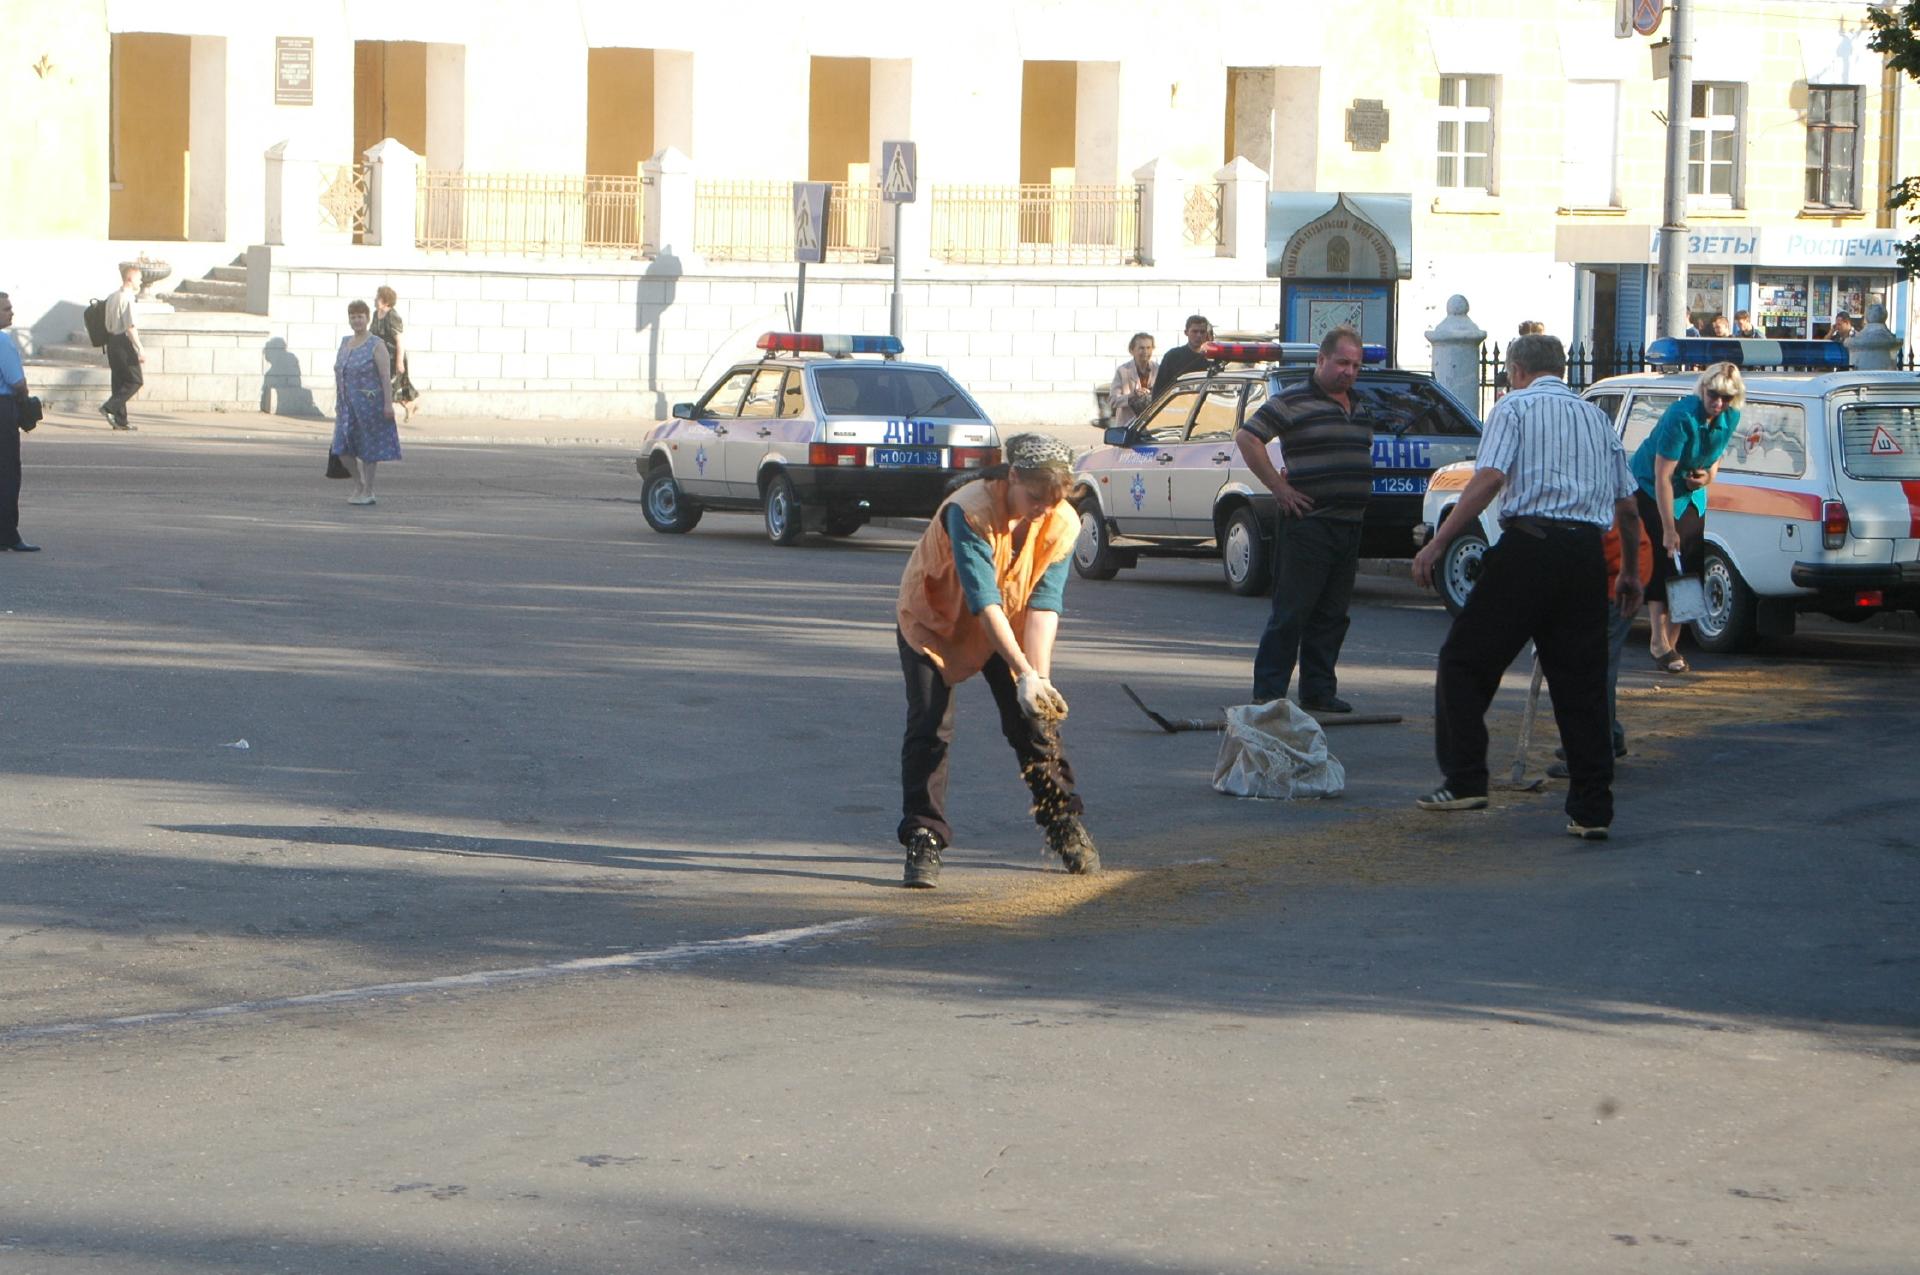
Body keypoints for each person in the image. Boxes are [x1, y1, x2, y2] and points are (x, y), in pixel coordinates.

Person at [1412, 333, 1640, 839]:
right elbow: (1627, 505)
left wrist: (1438, 542)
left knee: (1465, 660)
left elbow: (1490, 478)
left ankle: (1465, 778)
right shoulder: (1597, 418)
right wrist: (1628, 571)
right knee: (1582, 684)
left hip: (1530, 546)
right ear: (1562, 368)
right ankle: (1591, 810)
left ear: (1515, 370)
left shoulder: (1513, 408)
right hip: (1585, 556)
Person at [894, 433, 1098, 888]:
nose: (1042, 509)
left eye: (1054, 500)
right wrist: (1022, 670)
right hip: (937, 620)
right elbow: (983, 599)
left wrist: (1037, 679)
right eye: (1035, 497)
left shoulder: (1063, 522)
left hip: (1009, 621)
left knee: (1034, 724)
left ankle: (1062, 821)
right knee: (930, 726)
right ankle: (924, 835)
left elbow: (1045, 603)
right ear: (1013, 477)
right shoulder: (968, 511)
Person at [1234, 325, 1372, 714]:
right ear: (1321, 359)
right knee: (1292, 612)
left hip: (1349, 524)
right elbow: (1248, 438)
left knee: (1332, 615)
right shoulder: (1292, 399)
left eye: (1356, 366)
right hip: (1309, 523)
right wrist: (1280, 488)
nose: (1349, 372)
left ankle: (1318, 691)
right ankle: (1268, 694)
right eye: (1342, 363)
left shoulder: (1360, 405)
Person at [1631, 362, 1741, 674]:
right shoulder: (1681, 416)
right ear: (1703, 389)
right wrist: (1668, 529)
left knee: (1688, 563)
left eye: (1726, 397)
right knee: (1665, 557)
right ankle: (1658, 641)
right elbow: (1661, 475)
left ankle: (1672, 642)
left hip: (1691, 493)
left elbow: (1715, 456)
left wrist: (1708, 477)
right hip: (1653, 489)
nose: (1718, 402)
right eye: (1713, 394)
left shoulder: (1730, 417)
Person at [1548, 513, 1653, 778]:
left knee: (1593, 667)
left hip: (1616, 575)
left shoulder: (1578, 504)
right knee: (1593, 663)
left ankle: (1593, 751)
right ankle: (1609, 737)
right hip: (1608, 569)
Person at [332, 299, 400, 506]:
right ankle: (359, 483)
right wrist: (338, 401)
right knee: (341, 448)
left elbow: (385, 376)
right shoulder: (345, 343)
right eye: (353, 317)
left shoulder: (376, 344)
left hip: (370, 405)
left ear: (367, 318)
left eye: (360, 317)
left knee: (369, 449)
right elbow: (339, 373)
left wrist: (388, 404)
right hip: (346, 405)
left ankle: (368, 491)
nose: (356, 321)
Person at [0, 292, 40, 552]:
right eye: (6, 308)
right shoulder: (3, 342)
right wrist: (25, 400)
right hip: (3, 409)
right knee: (7, 473)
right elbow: (16, 382)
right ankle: (7, 534)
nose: (11, 312)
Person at [99, 262, 143, 431]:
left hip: (111, 342)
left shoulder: (112, 296)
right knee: (135, 380)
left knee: (119, 381)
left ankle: (120, 420)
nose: (141, 282)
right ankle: (109, 407)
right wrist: (139, 348)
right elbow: (130, 327)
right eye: (139, 278)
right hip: (122, 342)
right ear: (130, 278)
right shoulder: (127, 298)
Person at [370, 285, 419, 421]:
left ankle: (383, 417)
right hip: (381, 357)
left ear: (386, 301)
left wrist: (399, 362)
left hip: (393, 358)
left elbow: (399, 340)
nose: (374, 299)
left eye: (378, 298)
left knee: (390, 387)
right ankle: (410, 406)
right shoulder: (376, 314)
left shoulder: (393, 316)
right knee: (385, 387)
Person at [1151, 315, 1212, 397]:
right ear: (1186, 332)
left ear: (1206, 334)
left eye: (1202, 332)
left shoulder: (1211, 359)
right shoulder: (1172, 356)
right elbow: (1159, 388)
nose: (1199, 335)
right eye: (1194, 331)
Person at [1109, 332, 1157, 429]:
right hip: (1128, 426)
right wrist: (1132, 396)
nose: (1146, 352)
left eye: (1148, 348)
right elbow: (1113, 400)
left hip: (1152, 426)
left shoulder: (1158, 369)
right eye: (1141, 348)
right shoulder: (1122, 371)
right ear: (1132, 351)